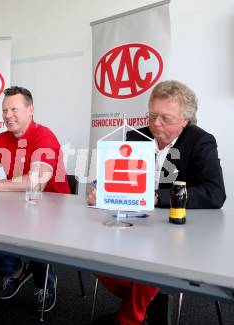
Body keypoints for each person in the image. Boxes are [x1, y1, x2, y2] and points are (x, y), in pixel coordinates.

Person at [87, 80, 226, 325]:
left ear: (186, 120)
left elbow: (214, 193)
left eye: (165, 118)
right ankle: (148, 300)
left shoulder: (201, 141)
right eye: (152, 116)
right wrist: (99, 188)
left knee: (151, 262)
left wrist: (157, 198)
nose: (155, 124)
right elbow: (111, 175)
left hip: (177, 233)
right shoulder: (134, 136)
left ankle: (129, 319)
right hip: (135, 226)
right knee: (91, 254)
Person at [0, 86, 70, 313]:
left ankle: (45, 282)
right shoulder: (1, 138)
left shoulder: (44, 135)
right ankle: (15, 271)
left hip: (51, 206)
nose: (8, 115)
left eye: (14, 109)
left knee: (39, 232)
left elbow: (36, 181)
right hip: (17, 203)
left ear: (30, 110)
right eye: (4, 110)